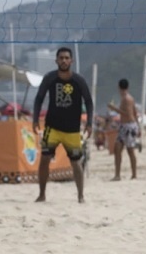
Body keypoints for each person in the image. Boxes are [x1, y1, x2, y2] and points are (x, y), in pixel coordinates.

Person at [32, 47, 93, 203]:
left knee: (76, 163)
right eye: (61, 58)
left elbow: (88, 101)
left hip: (72, 130)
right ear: (56, 60)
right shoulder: (50, 78)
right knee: (44, 159)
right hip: (52, 128)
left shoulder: (79, 80)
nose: (64, 60)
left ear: (71, 61)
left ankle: (81, 196)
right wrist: (34, 119)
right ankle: (42, 194)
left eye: (67, 58)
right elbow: (39, 98)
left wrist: (90, 123)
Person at [107, 79, 141, 181]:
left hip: (128, 126)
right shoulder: (128, 98)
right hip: (125, 126)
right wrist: (138, 126)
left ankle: (134, 174)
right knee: (117, 149)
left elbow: (128, 114)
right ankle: (117, 175)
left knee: (130, 151)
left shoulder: (126, 99)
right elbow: (135, 112)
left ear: (119, 87)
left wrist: (113, 109)